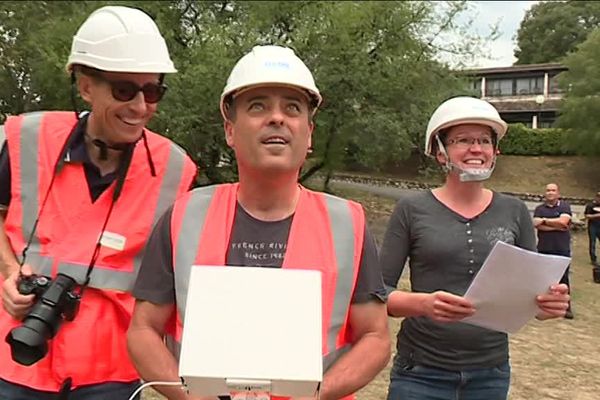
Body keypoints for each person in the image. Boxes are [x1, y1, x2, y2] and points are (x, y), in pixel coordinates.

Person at [127, 45, 391, 400]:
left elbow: (375, 338)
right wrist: (192, 396)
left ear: (309, 134)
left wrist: (316, 393)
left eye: (292, 108)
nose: (277, 118)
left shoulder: (347, 223)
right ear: (230, 131)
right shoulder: (184, 216)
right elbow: (143, 329)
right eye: (257, 106)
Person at [0, 6, 197, 399]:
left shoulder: (177, 169)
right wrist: (9, 272)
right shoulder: (27, 138)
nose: (141, 107)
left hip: (113, 371)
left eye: (153, 91)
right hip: (17, 356)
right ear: (86, 85)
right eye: (125, 90)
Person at [380, 96, 570, 400]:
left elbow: (529, 298)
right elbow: (379, 293)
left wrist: (547, 305)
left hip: (490, 374)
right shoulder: (411, 209)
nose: (476, 149)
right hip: (420, 373)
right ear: (440, 152)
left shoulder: (515, 211)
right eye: (463, 140)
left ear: (495, 151)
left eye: (484, 140)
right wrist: (424, 304)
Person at [533, 183, 573, 319]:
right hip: (544, 248)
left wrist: (544, 221)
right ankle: (540, 307)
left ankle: (567, 308)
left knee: (563, 279)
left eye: (553, 190)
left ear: (558, 193)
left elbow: (564, 222)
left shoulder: (564, 206)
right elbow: (538, 226)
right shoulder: (539, 209)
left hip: (561, 248)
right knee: (542, 280)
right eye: (548, 190)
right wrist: (555, 225)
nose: (550, 192)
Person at [584, 191, 600, 267]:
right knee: (592, 243)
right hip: (593, 226)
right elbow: (587, 216)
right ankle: (593, 259)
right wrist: (597, 215)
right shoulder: (590, 205)